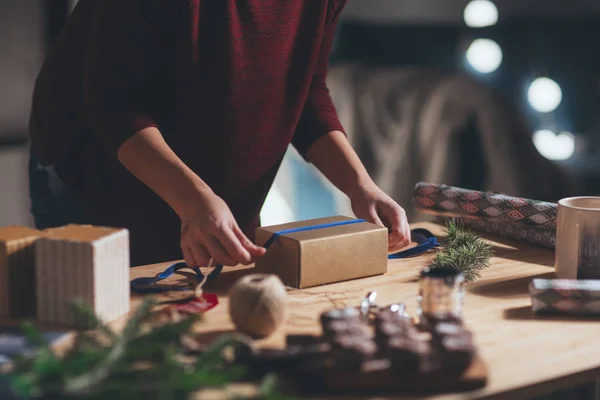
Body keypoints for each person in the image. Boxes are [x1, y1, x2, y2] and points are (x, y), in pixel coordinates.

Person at [28, 0, 411, 268]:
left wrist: (360, 185)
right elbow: (114, 104)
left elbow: (305, 86)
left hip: (206, 195)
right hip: (97, 174)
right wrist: (194, 200)